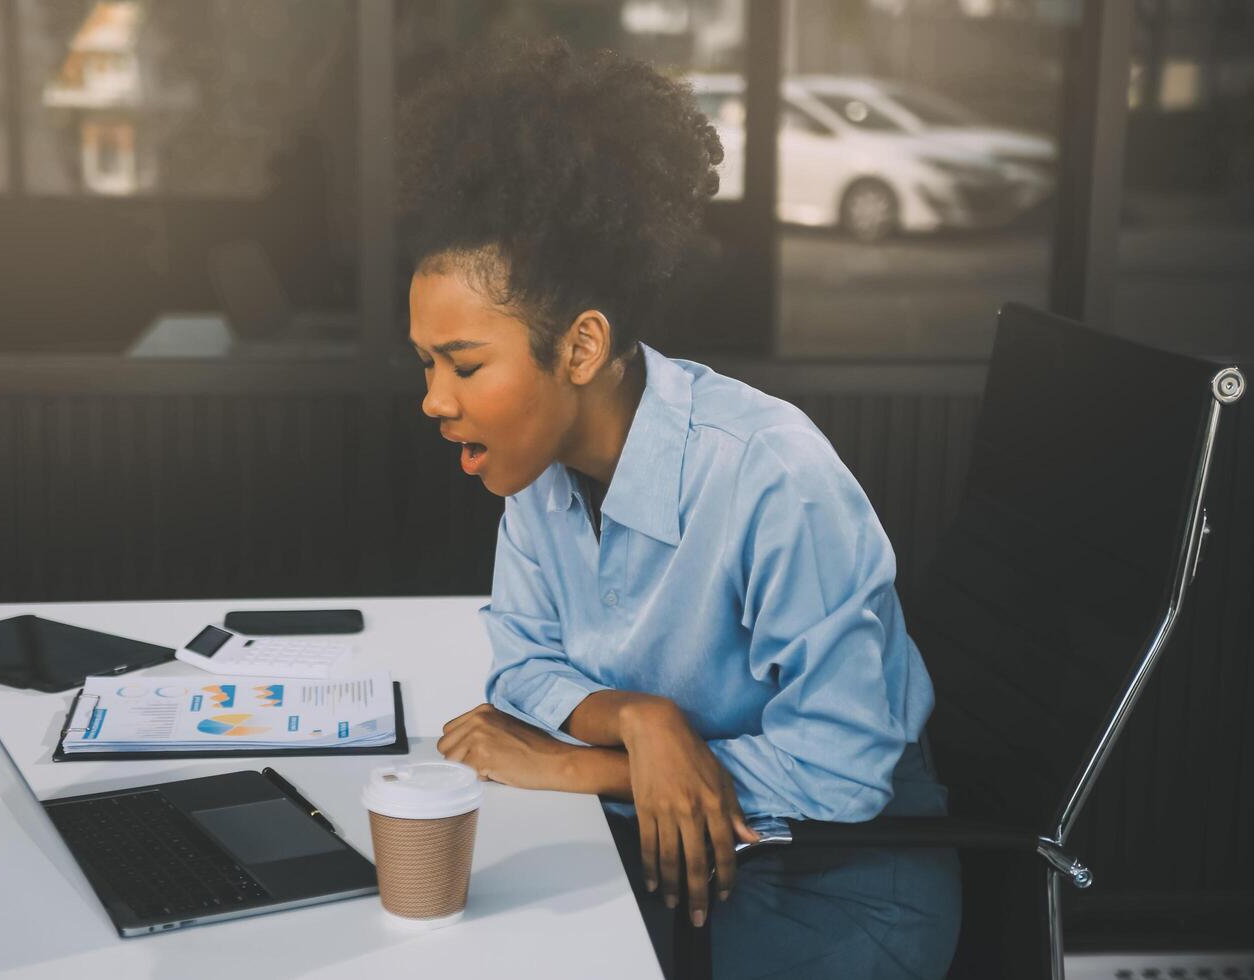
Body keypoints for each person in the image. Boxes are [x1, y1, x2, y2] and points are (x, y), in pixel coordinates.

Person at [400, 36, 960, 979]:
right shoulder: (537, 472)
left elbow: (841, 769)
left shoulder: (771, 477)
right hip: (675, 863)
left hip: (840, 885)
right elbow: (523, 661)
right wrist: (641, 720)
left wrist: (591, 765)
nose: (435, 400)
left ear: (579, 349)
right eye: (426, 365)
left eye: (464, 365)